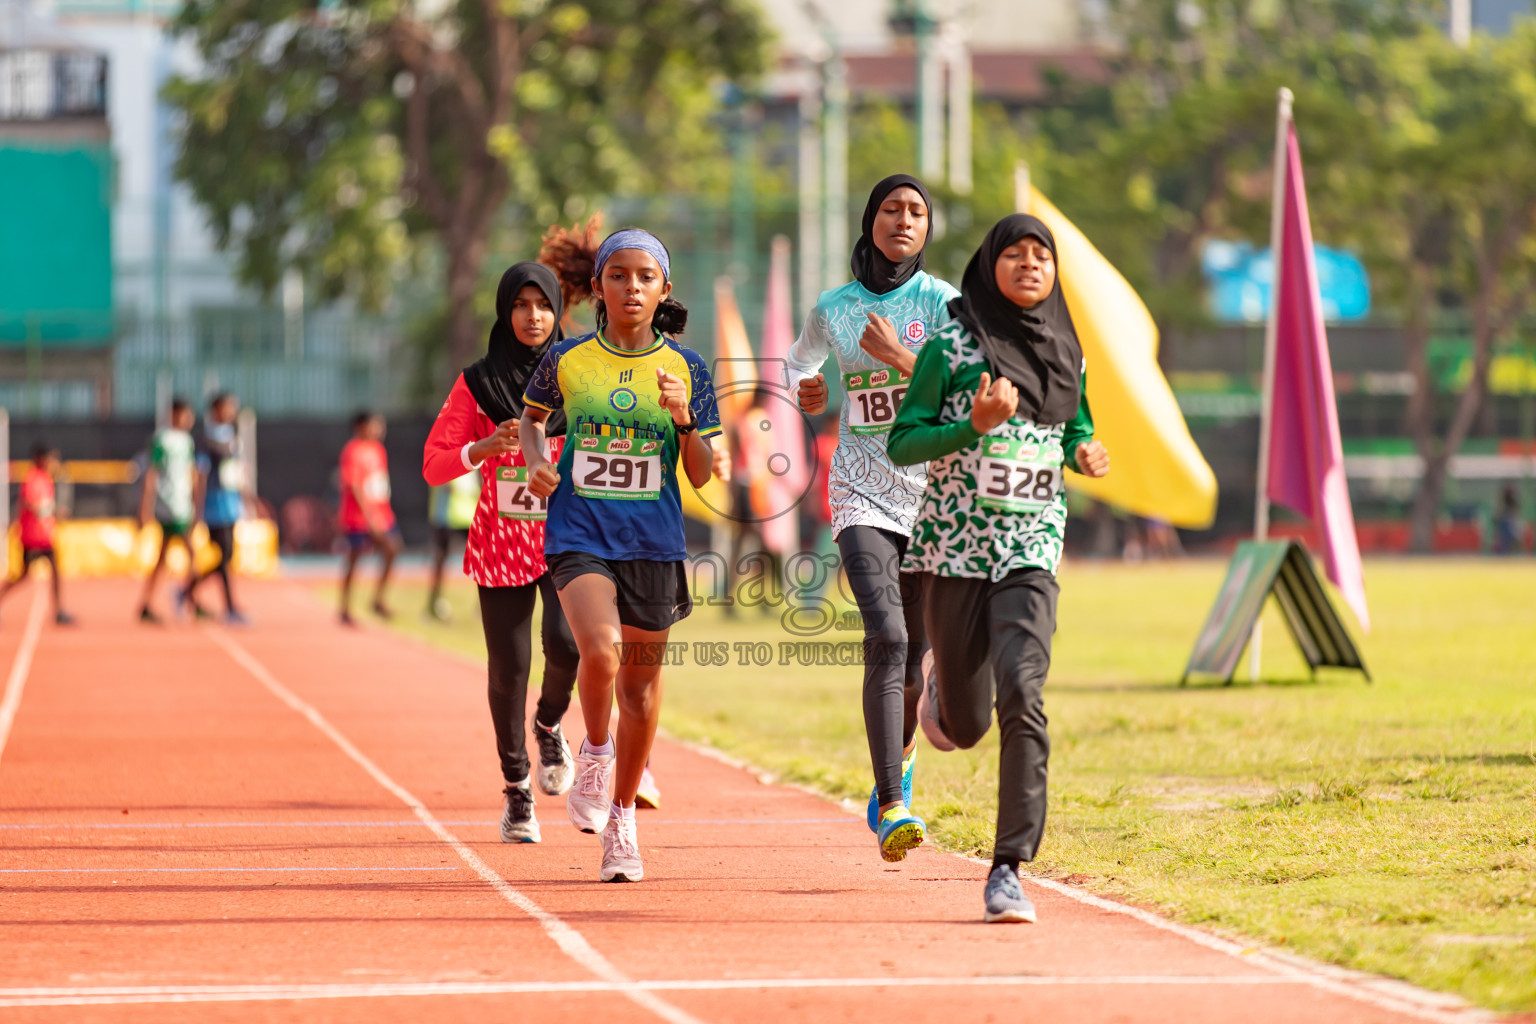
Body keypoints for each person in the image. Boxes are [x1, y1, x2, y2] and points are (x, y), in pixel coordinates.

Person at [888, 214, 1111, 924]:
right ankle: (939, 699)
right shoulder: (951, 341)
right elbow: (902, 441)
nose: (1028, 265)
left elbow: (1074, 422)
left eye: (1040, 255)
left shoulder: (1066, 349)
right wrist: (970, 427)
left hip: (1031, 550)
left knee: (1025, 693)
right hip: (952, 553)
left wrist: (1085, 450)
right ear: (990, 265)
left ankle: (1008, 867)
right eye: (1013, 254)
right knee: (968, 724)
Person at [522, 227, 720, 882]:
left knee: (640, 687)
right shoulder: (568, 361)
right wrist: (536, 463)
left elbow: (705, 474)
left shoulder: (689, 369)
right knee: (600, 650)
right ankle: (597, 752)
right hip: (579, 532)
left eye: (644, 277)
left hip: (654, 544)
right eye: (618, 276)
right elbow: (530, 418)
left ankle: (623, 825)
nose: (631, 287)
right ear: (600, 287)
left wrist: (686, 418)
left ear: (664, 288)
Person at [785, 174, 958, 862]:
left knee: (914, 655)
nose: (904, 220)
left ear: (927, 228)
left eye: (917, 211)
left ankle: (903, 755)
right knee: (885, 634)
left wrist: (898, 358)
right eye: (892, 209)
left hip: (932, 494)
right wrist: (810, 391)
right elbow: (799, 367)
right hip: (860, 489)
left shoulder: (943, 302)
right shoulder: (835, 307)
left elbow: (966, 388)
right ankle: (892, 805)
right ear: (872, 219)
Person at [422, 261, 582, 843]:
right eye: (521, 304)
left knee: (567, 645)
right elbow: (433, 464)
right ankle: (517, 790)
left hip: (568, 537)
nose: (532, 316)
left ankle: (549, 723)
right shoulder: (478, 382)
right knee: (508, 671)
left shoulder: (578, 373)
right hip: (502, 540)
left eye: (543, 305)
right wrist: (483, 446)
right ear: (504, 310)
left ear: (558, 312)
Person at [185, 392, 251, 624]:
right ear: (216, 409)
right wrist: (198, 508)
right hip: (214, 504)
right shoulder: (206, 439)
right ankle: (230, 608)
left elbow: (238, 473)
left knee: (227, 556)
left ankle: (186, 591)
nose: (232, 411)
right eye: (228, 407)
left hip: (231, 503)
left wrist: (248, 500)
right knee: (223, 555)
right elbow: (200, 475)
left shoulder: (233, 437)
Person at [137, 399, 202, 624]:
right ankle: (189, 598)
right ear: (174, 414)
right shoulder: (162, 440)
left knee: (163, 558)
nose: (189, 419)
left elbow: (192, 474)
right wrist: (145, 508)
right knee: (191, 554)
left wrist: (195, 503)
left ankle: (147, 604)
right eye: (185, 414)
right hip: (169, 506)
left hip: (183, 505)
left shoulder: (187, 441)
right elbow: (151, 473)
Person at [337, 410, 401, 626]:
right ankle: (344, 608)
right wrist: (369, 517)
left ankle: (377, 600)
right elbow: (353, 485)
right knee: (354, 559)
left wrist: (382, 512)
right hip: (358, 517)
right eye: (375, 425)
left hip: (382, 514)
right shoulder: (352, 451)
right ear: (362, 426)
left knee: (393, 548)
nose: (380, 429)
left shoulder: (379, 450)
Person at [0, 444, 74, 625]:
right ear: (40, 459)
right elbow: (30, 503)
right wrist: (52, 512)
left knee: (54, 570)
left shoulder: (46, 479)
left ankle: (59, 610)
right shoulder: (32, 478)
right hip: (32, 538)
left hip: (44, 537)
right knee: (21, 575)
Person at [424, 471, 480, 621]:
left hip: (469, 513)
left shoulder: (475, 452)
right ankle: (433, 603)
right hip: (446, 516)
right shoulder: (444, 450)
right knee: (441, 559)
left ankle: (483, 605)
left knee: (483, 558)